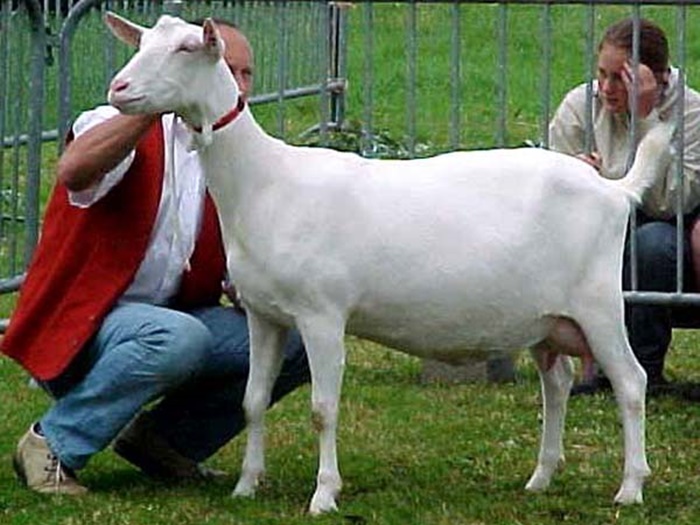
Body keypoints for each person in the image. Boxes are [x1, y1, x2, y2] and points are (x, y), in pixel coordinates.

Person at [1, 19, 310, 494]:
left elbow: (242, 256)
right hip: (86, 327)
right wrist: (150, 106)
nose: (239, 86)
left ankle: (165, 443)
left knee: (295, 340)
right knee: (177, 337)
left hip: (174, 322)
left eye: (246, 73)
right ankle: (53, 444)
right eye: (227, 70)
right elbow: (74, 171)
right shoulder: (109, 122)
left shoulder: (231, 153)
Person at [549, 17, 700, 396]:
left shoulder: (691, 112)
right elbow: (550, 193)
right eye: (602, 74)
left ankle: (644, 369)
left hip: (669, 230)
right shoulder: (580, 105)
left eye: (620, 78)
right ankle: (595, 364)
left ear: (657, 77)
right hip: (597, 227)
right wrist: (575, 178)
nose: (607, 88)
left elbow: (671, 202)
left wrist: (646, 121)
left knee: (652, 244)